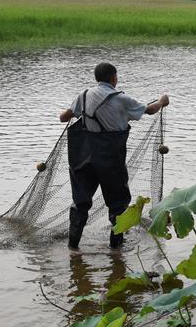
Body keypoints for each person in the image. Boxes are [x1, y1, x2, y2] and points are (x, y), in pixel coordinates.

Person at [59, 62, 169, 250]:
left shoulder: (83, 96)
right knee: (118, 205)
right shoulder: (122, 99)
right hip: (111, 161)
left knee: (80, 203)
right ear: (114, 78)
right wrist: (161, 101)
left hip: (83, 160)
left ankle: (73, 248)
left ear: (96, 78)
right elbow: (150, 110)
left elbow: (63, 117)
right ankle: (116, 253)